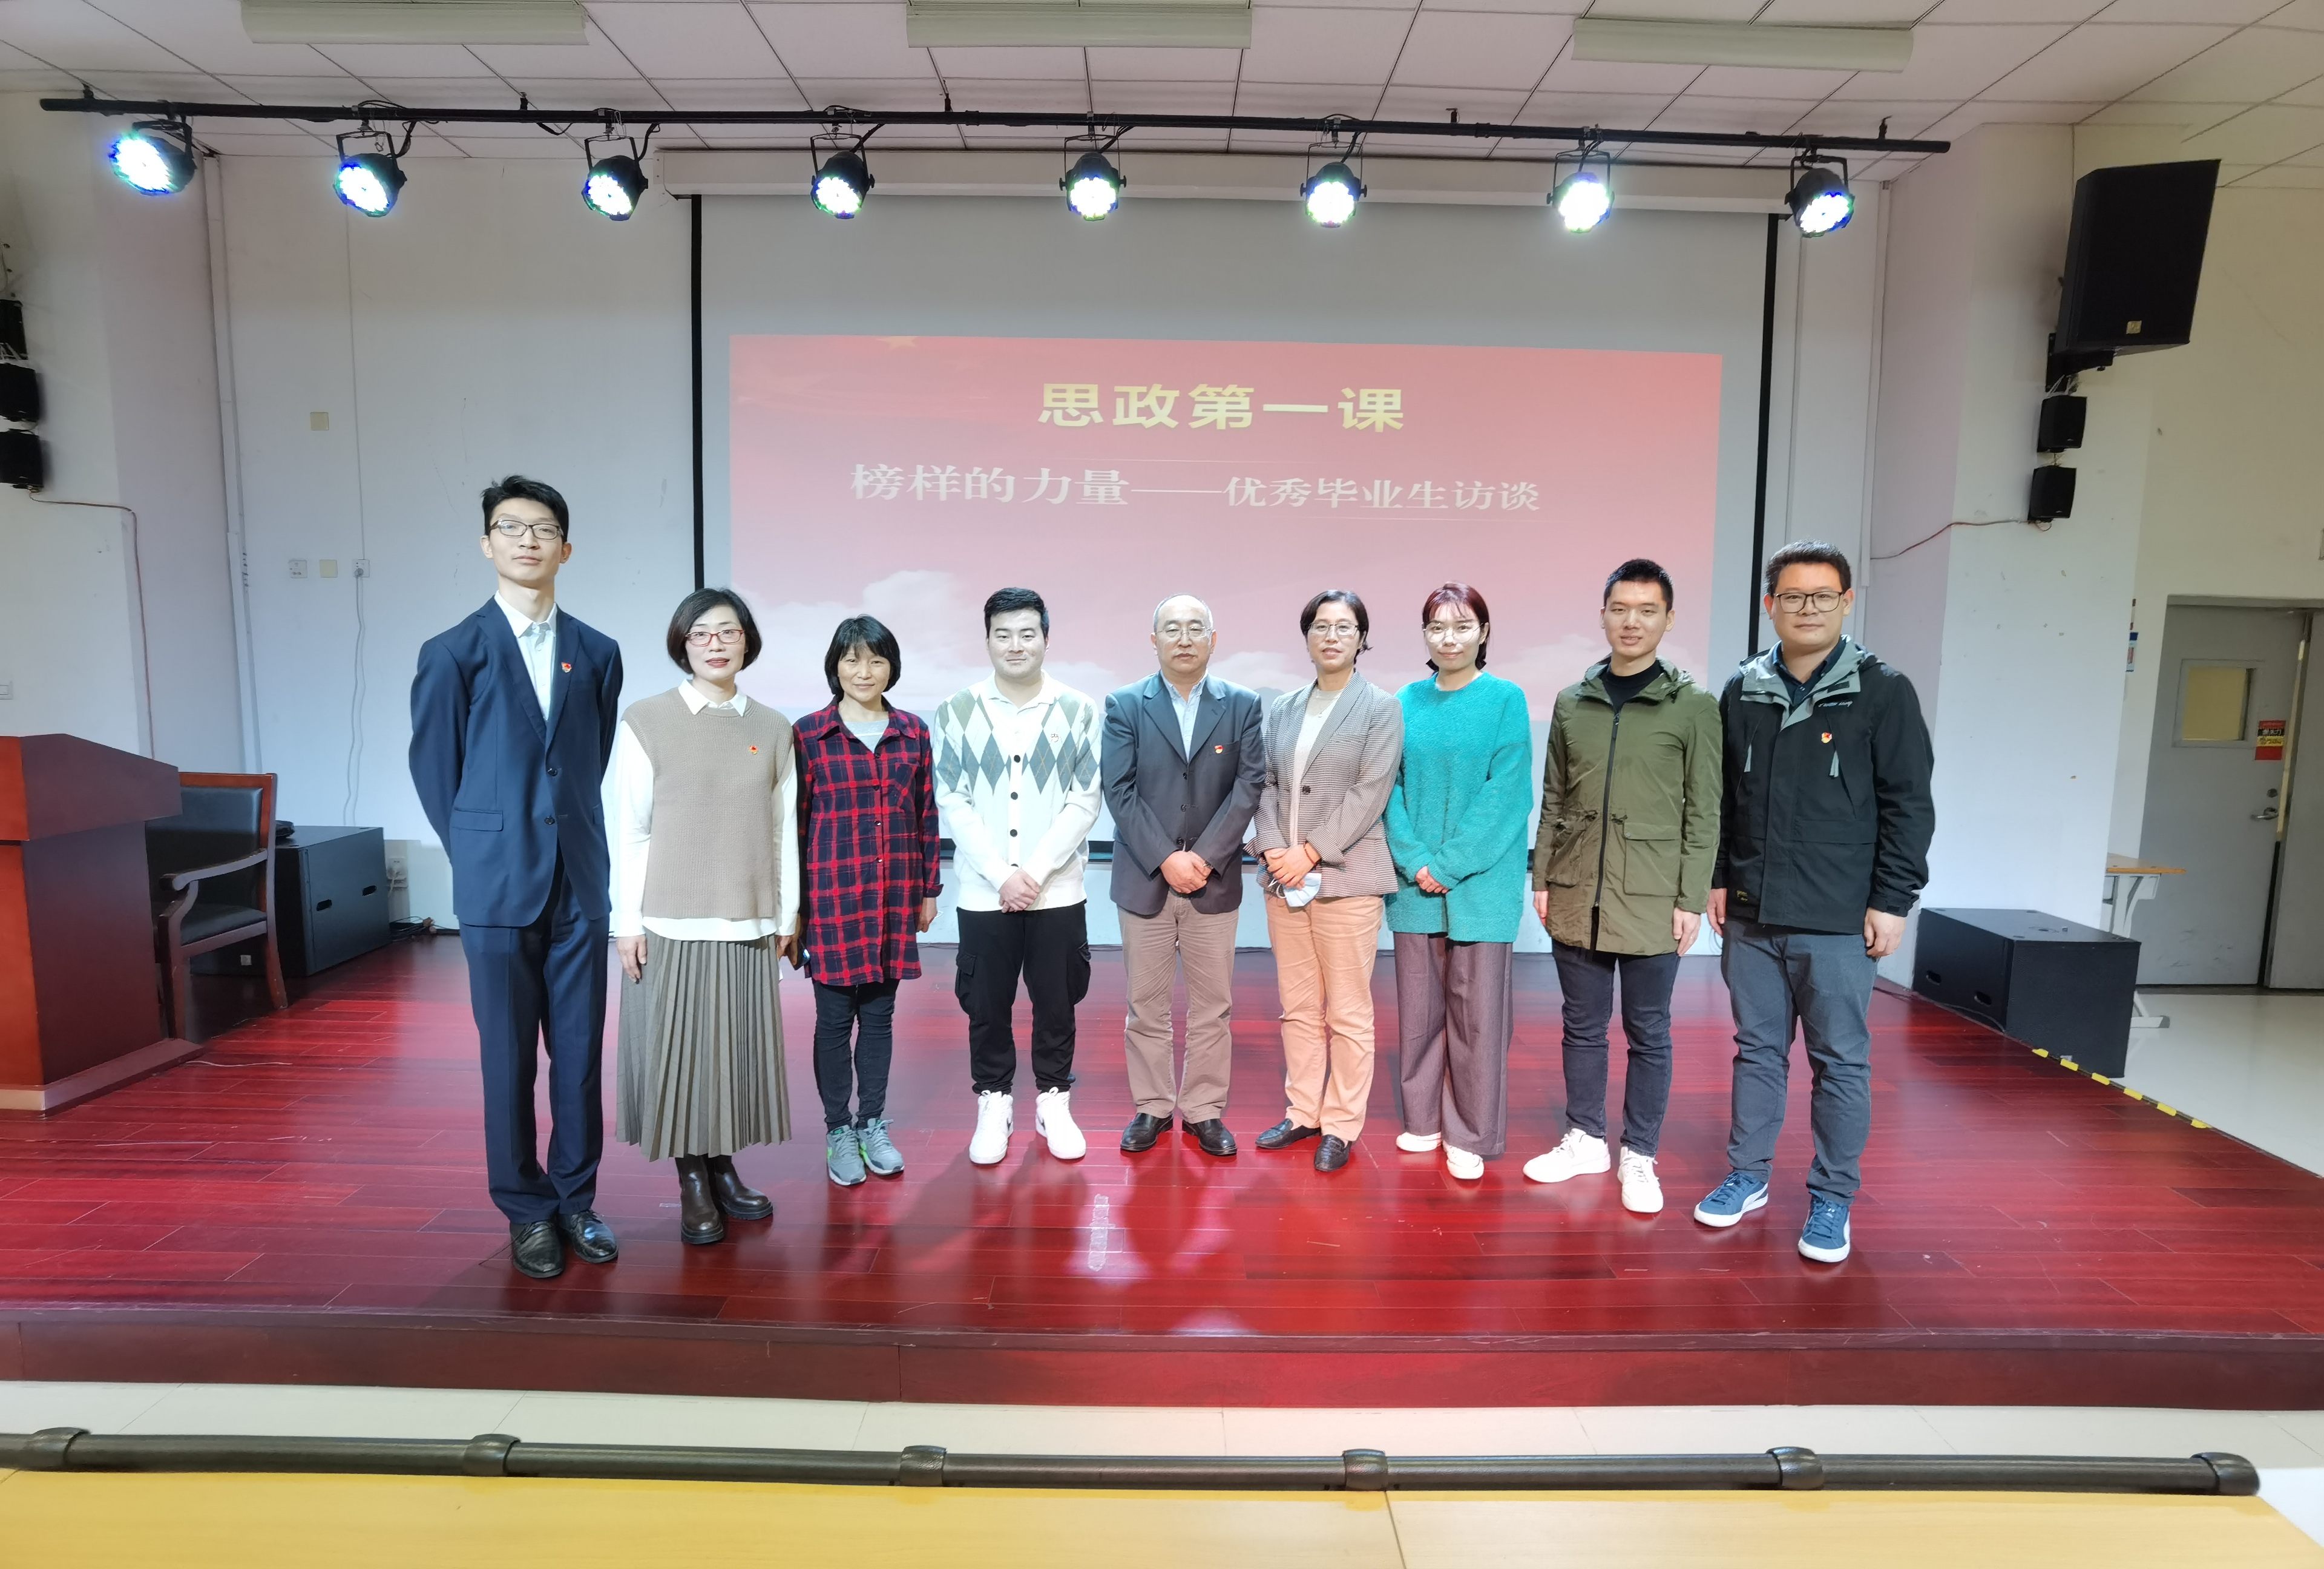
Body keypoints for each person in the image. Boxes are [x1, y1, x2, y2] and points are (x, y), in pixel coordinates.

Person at [409, 475, 623, 1280]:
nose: (528, 540)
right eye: (511, 526)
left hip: (579, 883)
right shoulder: (452, 652)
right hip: (497, 887)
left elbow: (589, 759)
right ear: (486, 544)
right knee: (507, 1060)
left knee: (579, 1056)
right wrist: (481, 850)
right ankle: (525, 1209)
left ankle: (575, 1199)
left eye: (543, 529)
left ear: (567, 548)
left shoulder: (597, 651)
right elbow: (436, 770)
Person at [1697, 541, 1935, 1265]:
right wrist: (1717, 877)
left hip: (1838, 918)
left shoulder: (1884, 691)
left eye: (1822, 596)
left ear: (1846, 602)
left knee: (1841, 1061)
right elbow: (1722, 799)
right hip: (1753, 912)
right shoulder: (1743, 689)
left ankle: (1833, 1196)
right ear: (1770, 605)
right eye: (1793, 596)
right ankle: (1748, 1176)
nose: (1808, 609)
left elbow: (1909, 805)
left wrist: (1893, 900)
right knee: (1757, 1052)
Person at [1524, 560, 1721, 1215]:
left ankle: (1640, 1153)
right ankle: (1585, 1138)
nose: (1631, 622)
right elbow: (1554, 798)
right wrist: (1544, 875)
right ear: (1604, 615)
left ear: (1669, 619)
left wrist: (1690, 897)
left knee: (1649, 1031)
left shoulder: (1693, 706)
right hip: (1577, 887)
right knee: (1581, 1026)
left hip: (1652, 894)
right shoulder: (1572, 702)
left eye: (1646, 610)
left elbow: (1705, 811)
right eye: (1620, 609)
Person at [611, 589, 796, 1246]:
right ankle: (692, 1177)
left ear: (748, 641)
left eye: (728, 632)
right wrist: (626, 921)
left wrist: (787, 914)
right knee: (682, 1057)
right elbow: (630, 830)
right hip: (669, 922)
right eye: (701, 634)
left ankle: (723, 1167)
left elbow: (782, 830)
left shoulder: (773, 727)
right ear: (682, 645)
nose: (715, 644)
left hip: (748, 920)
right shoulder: (647, 720)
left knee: (731, 1056)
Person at [933, 587, 1104, 1165]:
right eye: (1003, 634)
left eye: (1027, 633)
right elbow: (953, 800)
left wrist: (1031, 872)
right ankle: (994, 1101)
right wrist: (1001, 874)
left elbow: (1085, 800)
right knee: (986, 1004)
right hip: (985, 895)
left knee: (1057, 1002)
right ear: (986, 640)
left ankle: (1054, 1101)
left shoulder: (1079, 709)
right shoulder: (956, 711)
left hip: (1057, 891)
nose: (1015, 645)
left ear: (1046, 639)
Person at [1102, 594, 1267, 1157]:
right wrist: (1166, 857)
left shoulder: (1242, 704)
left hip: (1213, 880)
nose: (1184, 638)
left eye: (1196, 628)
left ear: (1213, 640)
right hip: (1144, 878)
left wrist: (1206, 856)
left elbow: (1249, 784)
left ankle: (1203, 1111)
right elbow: (1118, 790)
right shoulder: (1126, 704)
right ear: (1154, 641)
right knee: (1145, 1005)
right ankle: (1152, 1105)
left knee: (1212, 1007)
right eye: (1172, 629)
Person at [1249, 590, 1404, 1173]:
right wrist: (1273, 850)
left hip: (1347, 878)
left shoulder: (1381, 708)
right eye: (1321, 626)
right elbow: (1267, 785)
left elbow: (1371, 793)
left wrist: (1310, 853)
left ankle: (1340, 1123)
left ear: (1362, 638)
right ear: (1307, 635)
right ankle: (1303, 1112)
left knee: (1348, 1012)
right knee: (1297, 1008)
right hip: (1283, 879)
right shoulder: (1286, 707)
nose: (1331, 636)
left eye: (1344, 627)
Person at [1384, 584, 1534, 1181]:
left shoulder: (1505, 700)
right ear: (1425, 635)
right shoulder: (1405, 702)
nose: (1449, 638)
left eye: (1462, 626)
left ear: (1484, 632)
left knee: (1478, 1019)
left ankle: (1471, 1134)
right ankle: (1423, 1120)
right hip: (1414, 884)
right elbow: (1389, 790)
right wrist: (1415, 860)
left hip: (1481, 885)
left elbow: (1508, 794)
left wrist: (1446, 866)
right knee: (1419, 1013)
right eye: (1437, 628)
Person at [794, 615, 940, 1187]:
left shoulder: (913, 731)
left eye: (876, 660)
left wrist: (928, 889)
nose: (864, 671)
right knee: (834, 1021)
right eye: (852, 659)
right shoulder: (809, 735)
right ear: (835, 666)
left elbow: (926, 815)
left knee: (879, 1018)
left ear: (891, 668)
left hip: (894, 896)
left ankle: (872, 1123)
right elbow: (794, 826)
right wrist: (794, 911)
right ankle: (839, 1130)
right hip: (832, 898)